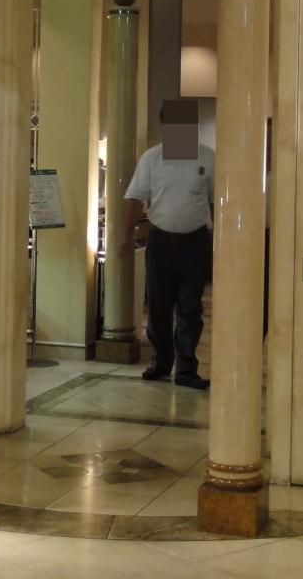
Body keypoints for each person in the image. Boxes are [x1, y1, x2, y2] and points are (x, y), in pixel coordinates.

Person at [122, 99, 214, 390]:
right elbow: (135, 198)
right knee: (159, 306)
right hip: (160, 240)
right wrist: (125, 236)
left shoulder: (208, 157)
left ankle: (186, 368)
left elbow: (218, 201)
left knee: (190, 308)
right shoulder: (151, 158)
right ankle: (161, 363)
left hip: (195, 241)